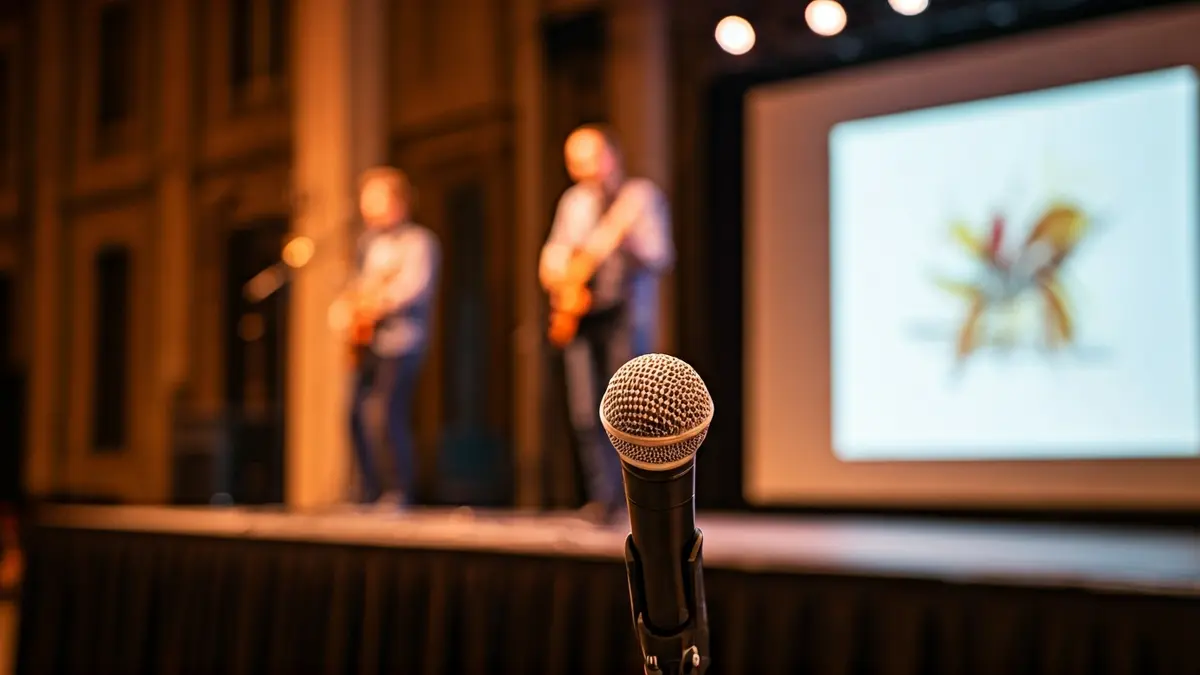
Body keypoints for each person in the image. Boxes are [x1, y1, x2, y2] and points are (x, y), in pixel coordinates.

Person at [539, 124, 675, 524]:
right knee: (585, 408)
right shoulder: (573, 202)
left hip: (625, 314)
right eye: (573, 162)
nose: (580, 170)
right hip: (582, 315)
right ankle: (601, 499)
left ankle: (640, 501)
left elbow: (660, 254)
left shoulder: (638, 198)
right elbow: (554, 252)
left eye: (587, 159)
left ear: (611, 156)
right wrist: (559, 274)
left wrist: (626, 238)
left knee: (628, 409)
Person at [331, 167, 441, 508]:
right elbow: (357, 284)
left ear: (398, 202)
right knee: (354, 413)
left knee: (385, 413)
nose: (368, 209)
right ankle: (367, 490)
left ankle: (397, 491)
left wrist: (376, 304)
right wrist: (346, 309)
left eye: (374, 201)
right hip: (368, 344)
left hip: (402, 342)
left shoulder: (419, 242)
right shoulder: (368, 243)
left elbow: (413, 288)